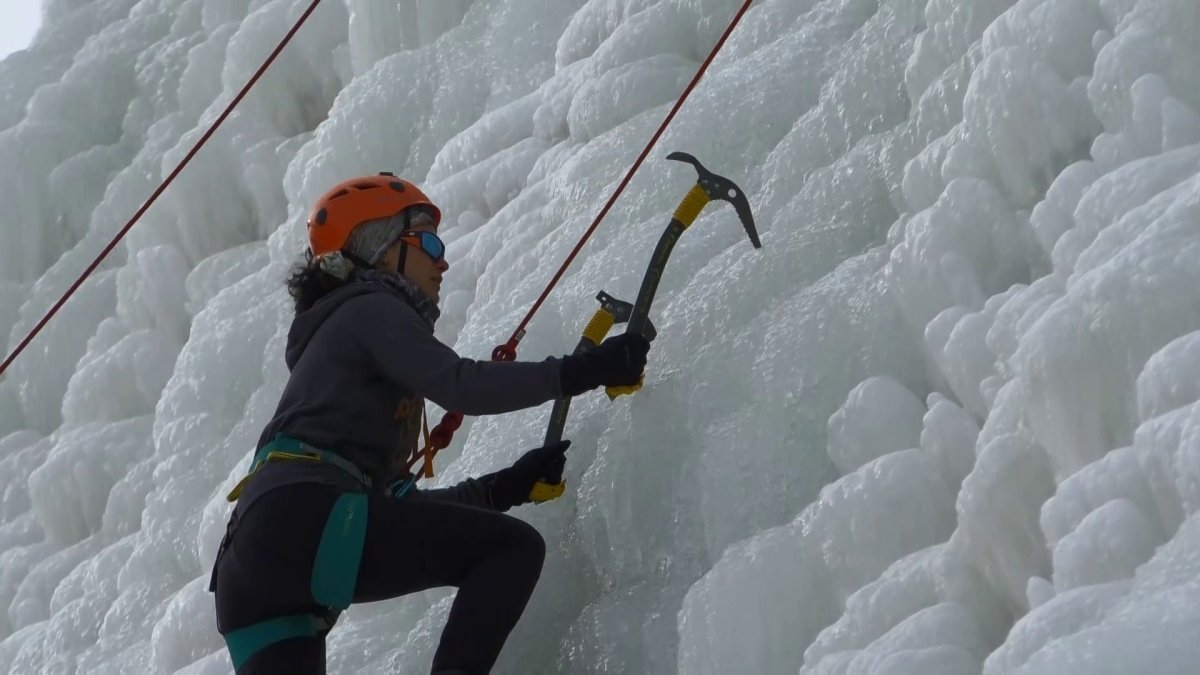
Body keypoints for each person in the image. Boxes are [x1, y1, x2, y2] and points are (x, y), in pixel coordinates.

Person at [208, 172, 650, 675]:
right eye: (429, 242)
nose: (442, 260)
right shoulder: (369, 308)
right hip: (304, 519)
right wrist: (582, 371)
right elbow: (462, 385)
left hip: (251, 572)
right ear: (381, 248)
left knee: (494, 541)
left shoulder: (337, 351)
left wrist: (500, 489)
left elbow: (395, 513)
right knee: (511, 549)